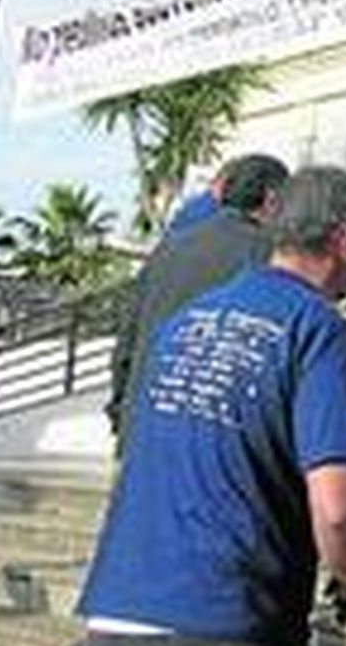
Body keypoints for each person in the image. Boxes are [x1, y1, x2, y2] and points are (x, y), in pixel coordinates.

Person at [78, 166, 346, 646]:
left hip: (112, 624)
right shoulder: (316, 329)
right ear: (345, 240)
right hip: (218, 637)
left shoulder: (188, 321)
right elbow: (337, 505)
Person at [106, 153, 290, 448]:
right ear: (272, 199)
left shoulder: (168, 250)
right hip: (218, 456)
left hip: (140, 439)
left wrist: (121, 416)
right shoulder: (273, 257)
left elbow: (127, 342)